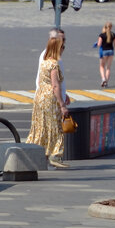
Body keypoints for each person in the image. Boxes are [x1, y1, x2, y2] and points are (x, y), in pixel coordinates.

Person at [27, 36, 71, 169]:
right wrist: (62, 104)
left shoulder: (44, 62)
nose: (63, 49)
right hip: (50, 99)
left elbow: (41, 82)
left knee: (41, 126)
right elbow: (55, 86)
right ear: (57, 47)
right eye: (62, 47)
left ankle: (34, 153)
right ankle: (55, 155)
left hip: (39, 97)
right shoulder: (53, 64)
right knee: (55, 126)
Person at [97, 22, 115, 88]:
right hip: (111, 52)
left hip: (104, 52)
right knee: (108, 68)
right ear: (111, 27)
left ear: (105, 27)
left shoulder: (102, 35)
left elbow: (99, 44)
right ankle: (106, 82)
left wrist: (96, 43)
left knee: (101, 66)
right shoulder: (113, 35)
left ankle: (103, 79)